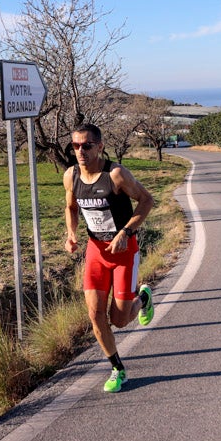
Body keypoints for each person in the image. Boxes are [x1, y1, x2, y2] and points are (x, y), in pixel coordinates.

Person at [64, 122, 155, 393]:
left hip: (124, 251)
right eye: (76, 145)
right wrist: (71, 234)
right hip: (95, 251)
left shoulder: (115, 175)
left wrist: (126, 232)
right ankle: (117, 368)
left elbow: (146, 200)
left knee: (119, 319)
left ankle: (143, 299)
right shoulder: (71, 176)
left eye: (87, 145)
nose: (80, 151)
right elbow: (70, 206)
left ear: (100, 147)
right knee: (94, 314)